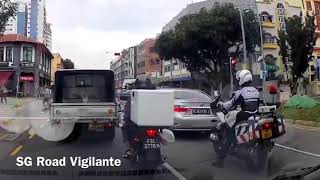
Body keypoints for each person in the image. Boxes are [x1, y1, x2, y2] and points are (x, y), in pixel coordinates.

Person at [212, 70, 260, 168]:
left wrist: (220, 104)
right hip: (255, 115)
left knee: (230, 132)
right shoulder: (256, 90)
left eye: (239, 79)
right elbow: (257, 104)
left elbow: (229, 104)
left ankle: (220, 161)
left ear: (242, 79)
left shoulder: (240, 92)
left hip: (244, 115)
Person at [122, 75, 156, 158]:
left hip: (137, 126)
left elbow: (127, 111)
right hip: (153, 124)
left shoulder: (134, 96)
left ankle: (129, 149)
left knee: (124, 127)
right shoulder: (156, 94)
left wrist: (126, 119)